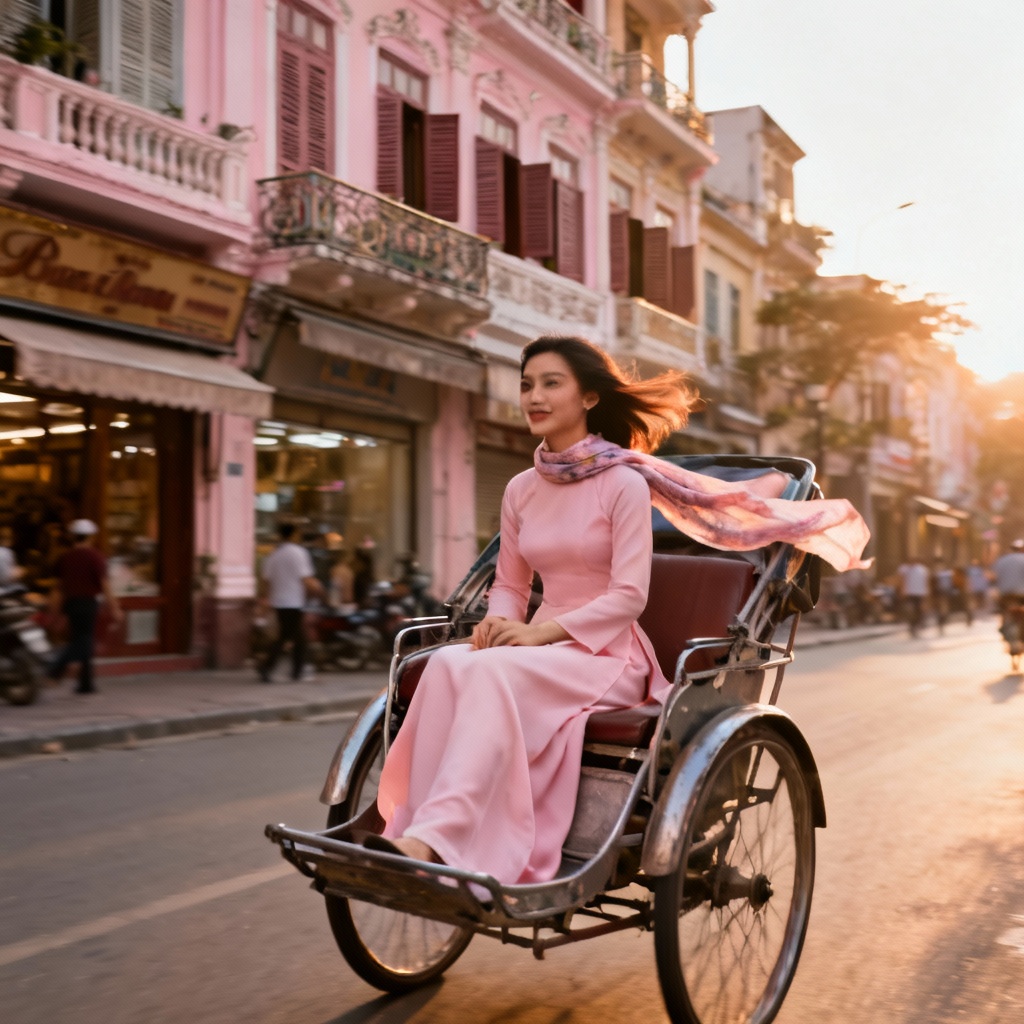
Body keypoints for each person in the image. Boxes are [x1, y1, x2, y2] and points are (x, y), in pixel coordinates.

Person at [361, 335, 870, 882]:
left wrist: (540, 633)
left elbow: (629, 597)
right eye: (527, 384)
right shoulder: (520, 489)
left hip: (605, 656)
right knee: (446, 663)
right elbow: (510, 583)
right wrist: (498, 620)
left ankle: (437, 842)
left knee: (487, 676)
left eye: (552, 383)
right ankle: (411, 825)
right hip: (542, 651)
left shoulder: (623, 484)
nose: (535, 396)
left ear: (588, 399)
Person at [47, 519, 122, 695]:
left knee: (82, 638)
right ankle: (55, 669)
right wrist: (115, 608)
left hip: (71, 604)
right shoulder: (96, 557)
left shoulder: (65, 557)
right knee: (84, 640)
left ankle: (86, 684)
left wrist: (55, 612)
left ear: (73, 537)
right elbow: (105, 586)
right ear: (90, 537)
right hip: (88, 603)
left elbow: (58, 588)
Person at [257, 522, 324, 682]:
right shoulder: (298, 553)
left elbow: (266, 581)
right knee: (287, 636)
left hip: (279, 601)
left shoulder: (274, 555)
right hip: (293, 601)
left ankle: (297, 671)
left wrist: (266, 599)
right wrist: (319, 592)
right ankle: (267, 666)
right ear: (294, 534)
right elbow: (306, 579)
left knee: (298, 636)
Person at [992, 539, 1024, 645]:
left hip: (1005, 595)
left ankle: (1003, 628)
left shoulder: (1001, 560)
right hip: (1021, 595)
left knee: (1004, 612)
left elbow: (994, 577)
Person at [897, 555, 930, 637]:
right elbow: (901, 580)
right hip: (909, 593)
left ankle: (916, 626)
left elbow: (926, 581)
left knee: (920, 611)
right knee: (910, 611)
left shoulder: (922, 569)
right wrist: (902, 591)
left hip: (920, 593)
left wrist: (927, 593)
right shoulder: (904, 569)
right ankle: (911, 626)